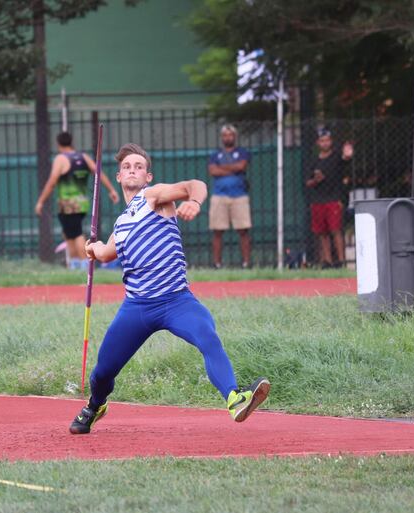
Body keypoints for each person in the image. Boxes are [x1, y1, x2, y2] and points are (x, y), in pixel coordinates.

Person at [69, 143, 270, 435]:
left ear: (148, 176)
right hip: (137, 307)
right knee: (102, 372)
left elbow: (194, 184)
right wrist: (92, 248)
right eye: (127, 167)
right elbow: (106, 252)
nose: (133, 170)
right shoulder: (122, 223)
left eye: (139, 166)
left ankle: (235, 398)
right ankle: (95, 405)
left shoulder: (154, 197)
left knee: (208, 337)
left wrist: (195, 201)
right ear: (118, 177)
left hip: (177, 301)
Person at [35, 131, 120, 269]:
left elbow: (52, 182)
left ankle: (85, 264)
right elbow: (98, 172)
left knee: (76, 234)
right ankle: (75, 265)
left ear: (58, 144)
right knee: (69, 234)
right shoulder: (84, 157)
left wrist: (41, 201)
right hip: (81, 204)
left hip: (68, 205)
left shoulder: (61, 159)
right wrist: (112, 190)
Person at [305, 127, 354, 268]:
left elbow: (346, 158)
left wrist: (348, 154)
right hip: (318, 200)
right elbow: (308, 182)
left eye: (327, 140)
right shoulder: (313, 161)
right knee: (322, 233)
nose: (325, 143)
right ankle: (327, 261)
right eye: (322, 141)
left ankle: (341, 261)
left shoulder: (336, 156)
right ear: (318, 143)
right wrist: (316, 180)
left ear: (331, 141)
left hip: (334, 198)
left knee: (336, 230)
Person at [208, 124, 252, 269]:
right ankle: (217, 264)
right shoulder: (215, 154)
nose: (228, 137)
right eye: (225, 135)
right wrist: (233, 168)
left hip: (239, 195)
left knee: (243, 230)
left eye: (230, 135)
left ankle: (246, 263)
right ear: (222, 138)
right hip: (219, 195)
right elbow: (213, 171)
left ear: (235, 136)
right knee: (218, 231)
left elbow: (242, 166)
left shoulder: (242, 152)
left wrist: (223, 168)